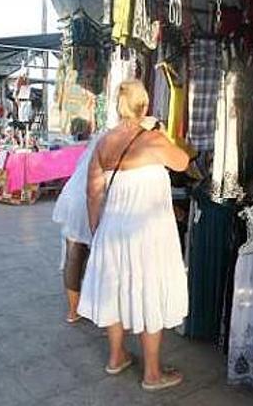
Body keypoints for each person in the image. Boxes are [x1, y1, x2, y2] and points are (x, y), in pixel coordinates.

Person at [79, 79, 190, 392]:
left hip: (112, 228)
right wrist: (159, 130)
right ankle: (152, 373)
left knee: (115, 290)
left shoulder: (104, 142)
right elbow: (182, 162)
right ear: (144, 106)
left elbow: (93, 192)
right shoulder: (153, 140)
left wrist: (95, 230)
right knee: (148, 290)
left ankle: (116, 357)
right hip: (148, 233)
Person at [52, 130, 102, 323]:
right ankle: (96, 308)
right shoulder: (113, 149)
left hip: (73, 198)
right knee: (95, 258)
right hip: (90, 200)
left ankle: (73, 310)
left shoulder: (93, 150)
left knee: (74, 256)